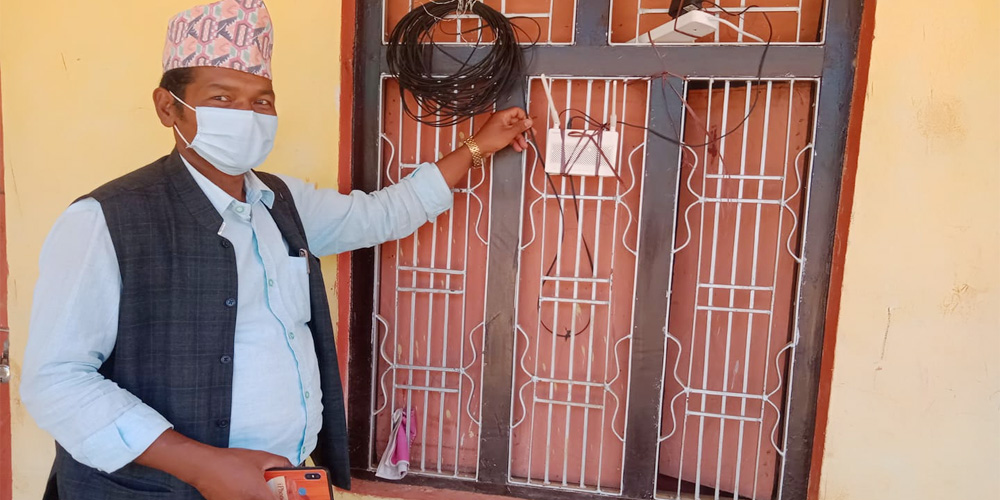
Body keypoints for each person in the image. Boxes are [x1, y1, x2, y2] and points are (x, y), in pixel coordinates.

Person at [19, 1, 533, 499]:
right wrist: (201, 465)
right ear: (168, 107)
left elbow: (382, 214)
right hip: (158, 490)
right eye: (222, 98)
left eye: (261, 101)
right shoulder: (105, 220)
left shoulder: (281, 202)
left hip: (284, 483)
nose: (247, 114)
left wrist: (477, 147)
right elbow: (57, 381)